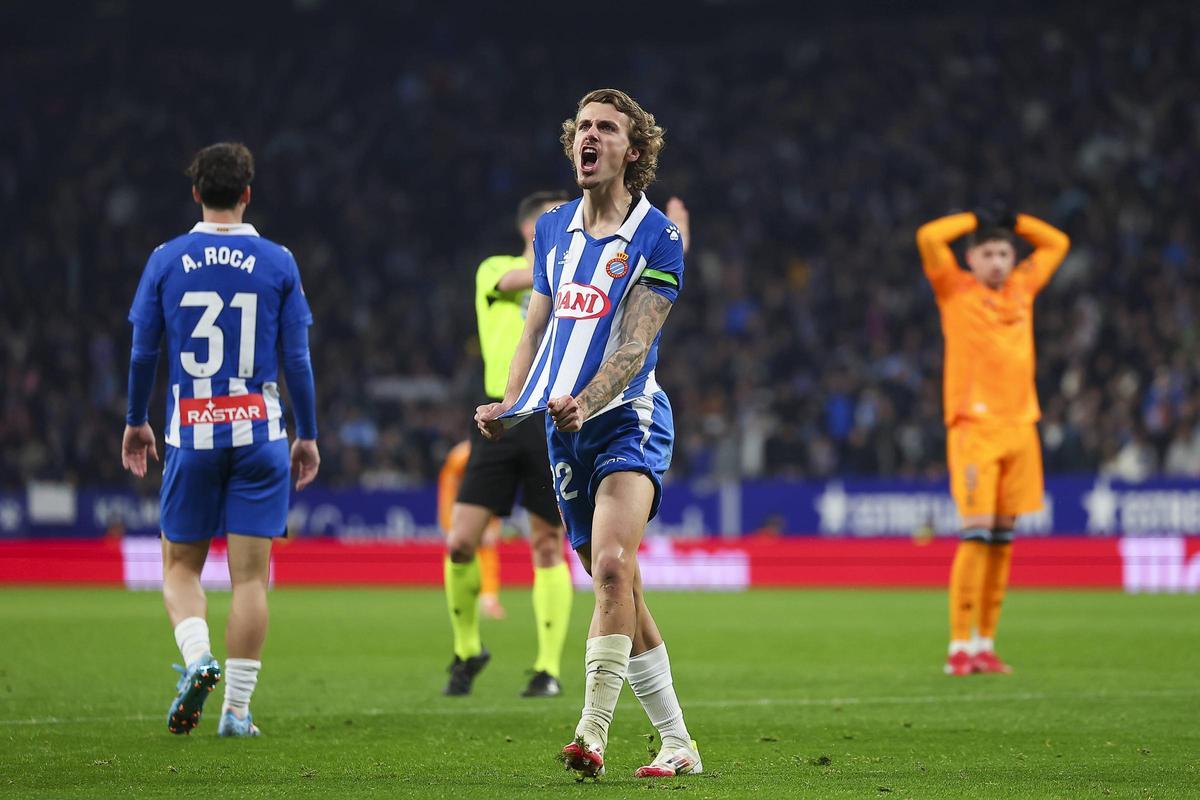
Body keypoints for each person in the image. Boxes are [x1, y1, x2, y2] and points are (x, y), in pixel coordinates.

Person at [477, 88, 701, 780]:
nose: (589, 136)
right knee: (620, 585)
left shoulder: (656, 237)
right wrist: (509, 403)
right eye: (582, 127)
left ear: (633, 151)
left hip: (627, 418)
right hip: (560, 430)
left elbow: (635, 346)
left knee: (610, 567)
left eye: (606, 128)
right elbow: (534, 327)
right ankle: (678, 744)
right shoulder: (551, 228)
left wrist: (589, 397)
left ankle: (591, 736)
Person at [121, 142, 320, 736]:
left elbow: (142, 351)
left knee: (180, 567)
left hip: (192, 428)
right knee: (251, 578)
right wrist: (306, 433)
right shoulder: (278, 260)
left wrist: (136, 420)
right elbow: (297, 359)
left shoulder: (165, 258)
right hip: (260, 428)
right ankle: (236, 710)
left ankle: (197, 657)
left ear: (196, 193)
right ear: (248, 193)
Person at [916, 203, 1069, 676]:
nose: (999, 261)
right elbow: (928, 237)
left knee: (1003, 541)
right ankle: (958, 647)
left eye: (1005, 252)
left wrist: (1019, 220)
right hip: (974, 429)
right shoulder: (954, 289)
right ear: (972, 259)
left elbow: (1057, 243)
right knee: (977, 537)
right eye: (989, 253)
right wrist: (973, 217)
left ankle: (985, 643)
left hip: (1021, 427)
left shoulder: (1023, 288)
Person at [442, 191, 575, 698]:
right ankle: (467, 649)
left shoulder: (580, 275)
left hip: (549, 416)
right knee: (460, 542)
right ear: (531, 229)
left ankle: (547, 670)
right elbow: (512, 282)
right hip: (497, 414)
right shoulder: (494, 269)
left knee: (546, 543)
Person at [438, 441, 506, 621]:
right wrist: (450, 522)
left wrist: (493, 525)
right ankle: (462, 599)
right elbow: (449, 489)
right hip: (460, 505)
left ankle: (488, 598)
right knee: (460, 546)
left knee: (486, 546)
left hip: (481, 502)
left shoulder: (497, 455)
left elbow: (496, 489)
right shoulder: (460, 458)